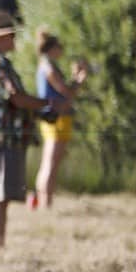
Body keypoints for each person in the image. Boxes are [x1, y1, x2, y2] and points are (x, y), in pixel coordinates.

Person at [0, 9, 51, 249]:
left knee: (2, 195)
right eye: (10, 35)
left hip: (5, 135)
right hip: (1, 136)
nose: (14, 40)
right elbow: (15, 97)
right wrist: (46, 104)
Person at [31, 27, 89, 210]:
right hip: (56, 118)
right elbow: (67, 92)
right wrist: (79, 79)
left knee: (50, 162)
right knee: (51, 163)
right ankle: (45, 203)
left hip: (55, 118)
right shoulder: (48, 67)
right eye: (59, 46)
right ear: (51, 48)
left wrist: (74, 78)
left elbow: (63, 91)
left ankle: (43, 202)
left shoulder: (46, 65)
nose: (62, 50)